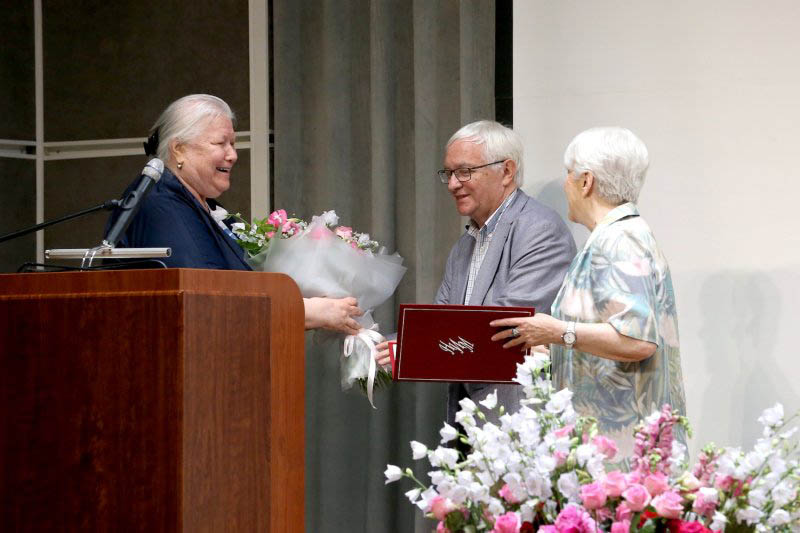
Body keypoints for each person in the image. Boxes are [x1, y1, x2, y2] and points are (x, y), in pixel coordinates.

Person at [490, 127, 687, 460]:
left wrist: (558, 332)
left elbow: (637, 341)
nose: (565, 185)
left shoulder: (619, 240)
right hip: (616, 445)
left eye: (568, 174)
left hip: (622, 453)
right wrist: (554, 345)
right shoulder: (619, 235)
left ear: (586, 182)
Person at [108, 94, 362, 334]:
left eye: (233, 144)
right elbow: (203, 301)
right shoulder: (159, 205)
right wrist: (307, 311)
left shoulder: (205, 206)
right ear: (179, 149)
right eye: (220, 143)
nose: (232, 155)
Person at [376, 120, 576, 424]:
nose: (453, 184)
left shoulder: (540, 230)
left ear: (506, 171)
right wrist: (375, 343)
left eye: (465, 171)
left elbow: (507, 326)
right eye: (449, 173)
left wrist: (408, 349)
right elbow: (441, 320)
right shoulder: (465, 245)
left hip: (518, 419)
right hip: (473, 419)